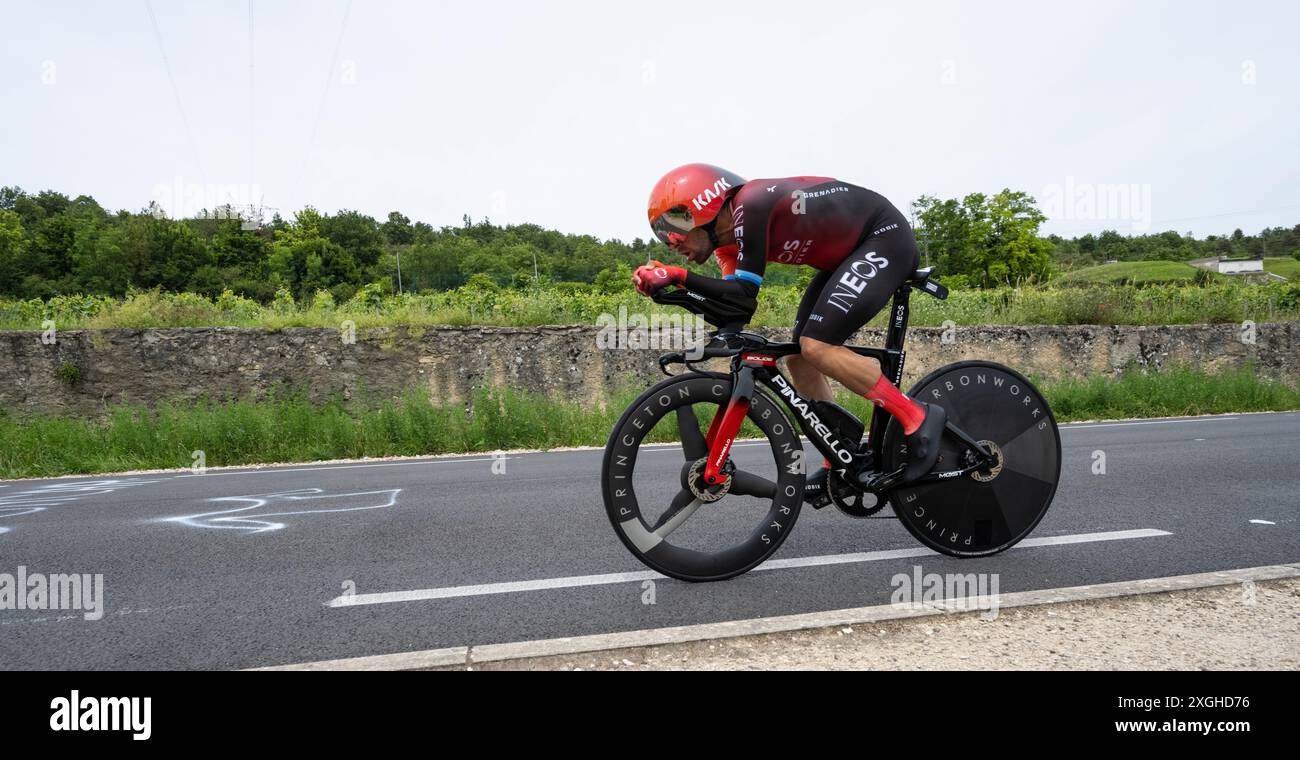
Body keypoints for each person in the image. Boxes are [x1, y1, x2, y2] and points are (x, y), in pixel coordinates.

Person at [633, 163, 946, 494]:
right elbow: (736, 310)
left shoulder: (750, 204)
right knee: (800, 357)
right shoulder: (728, 247)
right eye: (661, 233)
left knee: (817, 345)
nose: (671, 242)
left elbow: (742, 296)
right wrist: (673, 293)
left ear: (705, 204)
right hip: (847, 256)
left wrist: (678, 276)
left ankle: (917, 418)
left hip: (883, 237)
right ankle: (840, 459)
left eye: (674, 225)